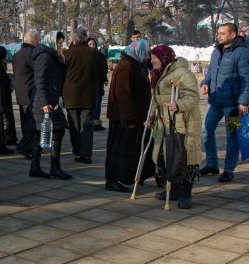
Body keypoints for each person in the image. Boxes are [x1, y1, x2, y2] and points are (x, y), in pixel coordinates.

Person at [148, 44, 203, 208]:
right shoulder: (158, 74)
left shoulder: (182, 73)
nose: (152, 61)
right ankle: (173, 189)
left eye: (155, 58)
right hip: (165, 122)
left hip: (184, 122)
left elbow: (193, 97)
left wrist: (179, 104)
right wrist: (151, 116)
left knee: (184, 157)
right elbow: (155, 100)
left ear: (164, 58)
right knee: (166, 156)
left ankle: (185, 193)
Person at [199, 22, 249, 182]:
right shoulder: (216, 51)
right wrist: (205, 82)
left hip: (234, 105)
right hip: (214, 102)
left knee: (232, 137)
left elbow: (247, 79)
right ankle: (212, 164)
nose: (218, 35)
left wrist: (243, 102)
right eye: (218, 33)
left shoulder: (242, 53)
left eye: (222, 33)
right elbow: (211, 72)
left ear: (232, 35)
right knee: (206, 131)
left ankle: (228, 169)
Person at [105, 39, 154, 192]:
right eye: (145, 53)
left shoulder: (134, 64)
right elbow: (123, 95)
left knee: (132, 149)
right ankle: (113, 179)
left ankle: (134, 176)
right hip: (124, 118)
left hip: (133, 116)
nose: (147, 56)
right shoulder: (126, 67)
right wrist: (129, 118)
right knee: (119, 150)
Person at [30, 31, 72, 180]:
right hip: (45, 101)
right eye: (59, 43)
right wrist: (45, 103)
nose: (61, 46)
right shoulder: (45, 56)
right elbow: (40, 81)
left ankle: (36, 167)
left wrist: (62, 60)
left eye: (62, 43)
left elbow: (59, 76)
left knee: (43, 132)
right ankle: (54, 167)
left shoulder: (51, 55)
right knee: (57, 130)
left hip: (48, 99)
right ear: (52, 42)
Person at [63, 27, 107, 164]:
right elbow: (102, 72)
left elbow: (60, 74)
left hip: (70, 95)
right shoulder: (95, 54)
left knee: (74, 125)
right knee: (87, 125)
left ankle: (77, 149)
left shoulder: (67, 54)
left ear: (74, 39)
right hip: (89, 94)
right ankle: (86, 153)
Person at [13, 31, 38, 158]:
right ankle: (26, 147)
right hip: (30, 93)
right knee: (31, 122)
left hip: (20, 93)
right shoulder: (32, 54)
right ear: (34, 41)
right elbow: (38, 72)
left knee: (25, 121)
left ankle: (26, 147)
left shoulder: (17, 54)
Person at [88, 37, 108, 132]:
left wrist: (105, 78)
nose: (92, 46)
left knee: (98, 104)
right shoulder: (85, 56)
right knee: (91, 105)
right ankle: (90, 123)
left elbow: (103, 69)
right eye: (90, 44)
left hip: (98, 84)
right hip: (88, 85)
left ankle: (96, 124)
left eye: (93, 44)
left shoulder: (99, 56)